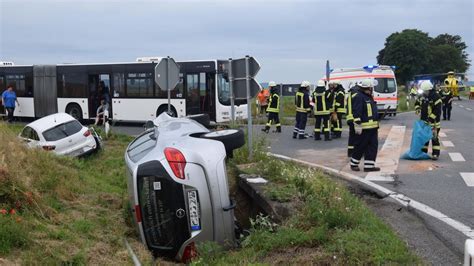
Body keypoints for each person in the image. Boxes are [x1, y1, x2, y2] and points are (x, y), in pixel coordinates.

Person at [350, 79, 380, 172]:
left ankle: (369, 166)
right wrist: (358, 125)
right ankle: (354, 164)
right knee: (360, 146)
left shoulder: (368, 97)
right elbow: (357, 111)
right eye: (371, 88)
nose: (371, 89)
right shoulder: (359, 96)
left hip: (373, 128)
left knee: (372, 146)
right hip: (364, 128)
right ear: (367, 88)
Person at [414, 80, 442, 160]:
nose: (423, 92)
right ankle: (423, 153)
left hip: (434, 124)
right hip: (424, 122)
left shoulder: (436, 97)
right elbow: (416, 103)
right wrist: (418, 109)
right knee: (424, 139)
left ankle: (435, 154)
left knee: (434, 139)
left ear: (428, 90)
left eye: (424, 91)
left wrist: (430, 119)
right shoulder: (422, 96)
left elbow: (437, 111)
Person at [346, 84, 359, 157]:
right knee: (357, 136)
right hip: (355, 118)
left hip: (349, 118)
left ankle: (350, 152)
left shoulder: (350, 95)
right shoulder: (357, 95)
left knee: (351, 136)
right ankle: (356, 152)